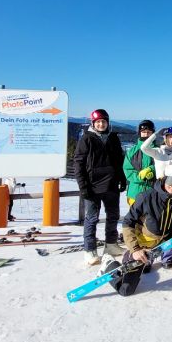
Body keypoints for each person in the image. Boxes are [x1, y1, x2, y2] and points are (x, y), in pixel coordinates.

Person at [102, 165, 172, 296]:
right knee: (126, 290)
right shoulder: (146, 197)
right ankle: (109, 264)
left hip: (163, 241)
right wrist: (135, 250)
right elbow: (128, 222)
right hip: (143, 246)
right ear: (163, 179)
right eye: (170, 180)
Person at [73, 109, 127, 265]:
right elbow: (78, 164)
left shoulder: (113, 138)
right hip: (93, 187)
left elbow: (119, 161)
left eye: (103, 122)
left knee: (113, 216)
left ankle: (110, 245)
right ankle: (89, 250)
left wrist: (122, 178)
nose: (101, 124)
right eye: (98, 122)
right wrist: (83, 187)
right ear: (93, 123)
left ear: (107, 123)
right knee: (92, 219)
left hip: (111, 185)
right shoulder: (86, 139)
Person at [123, 120, 156, 206]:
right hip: (135, 192)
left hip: (153, 192)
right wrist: (140, 177)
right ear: (139, 133)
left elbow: (164, 166)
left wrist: (152, 170)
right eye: (143, 132)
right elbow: (128, 170)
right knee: (135, 218)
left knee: (151, 218)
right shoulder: (132, 151)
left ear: (153, 134)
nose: (146, 134)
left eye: (149, 132)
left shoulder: (158, 150)